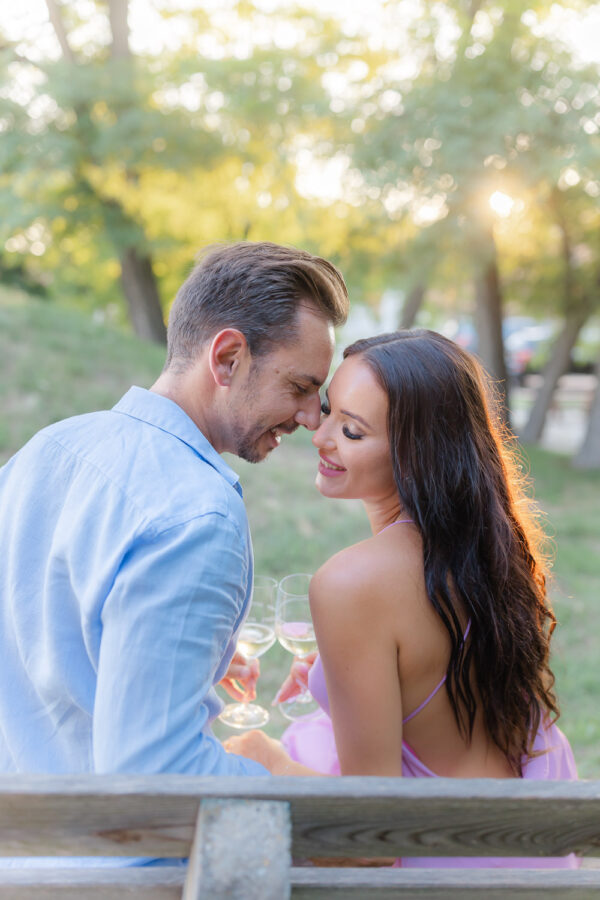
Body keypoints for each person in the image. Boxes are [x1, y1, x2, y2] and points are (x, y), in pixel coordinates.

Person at [225, 329, 579, 868]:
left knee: (261, 751)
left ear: (417, 455)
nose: (319, 436)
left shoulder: (352, 583)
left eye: (351, 430)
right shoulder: (491, 550)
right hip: (524, 844)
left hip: (445, 866)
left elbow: (371, 836)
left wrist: (262, 755)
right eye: (327, 411)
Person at [0, 241, 348, 781]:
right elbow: (157, 774)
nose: (309, 417)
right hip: (101, 857)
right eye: (300, 387)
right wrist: (286, 781)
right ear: (228, 357)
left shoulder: (47, 448)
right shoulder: (196, 518)